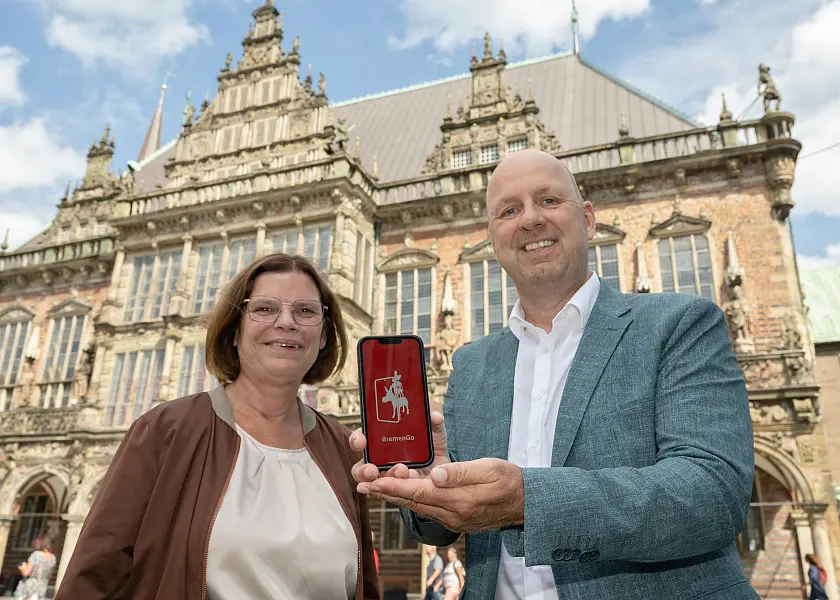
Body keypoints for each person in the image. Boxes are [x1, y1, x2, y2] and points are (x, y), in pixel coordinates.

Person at [351, 149, 758, 599]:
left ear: (587, 218)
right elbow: (442, 532)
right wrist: (433, 485)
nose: (529, 220)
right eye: (509, 210)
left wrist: (527, 501)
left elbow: (712, 496)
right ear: (492, 238)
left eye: (548, 201)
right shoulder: (470, 365)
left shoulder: (680, 324)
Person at [56, 253, 379, 599]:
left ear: (325, 336)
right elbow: (93, 579)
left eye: (306, 311)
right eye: (265, 308)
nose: (287, 322)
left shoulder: (346, 447)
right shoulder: (165, 431)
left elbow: (365, 584)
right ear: (235, 331)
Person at [13, 536, 56, 600]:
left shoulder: (36, 554)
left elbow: (26, 573)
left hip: (31, 586)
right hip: (43, 586)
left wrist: (22, 566)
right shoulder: (53, 557)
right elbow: (50, 576)